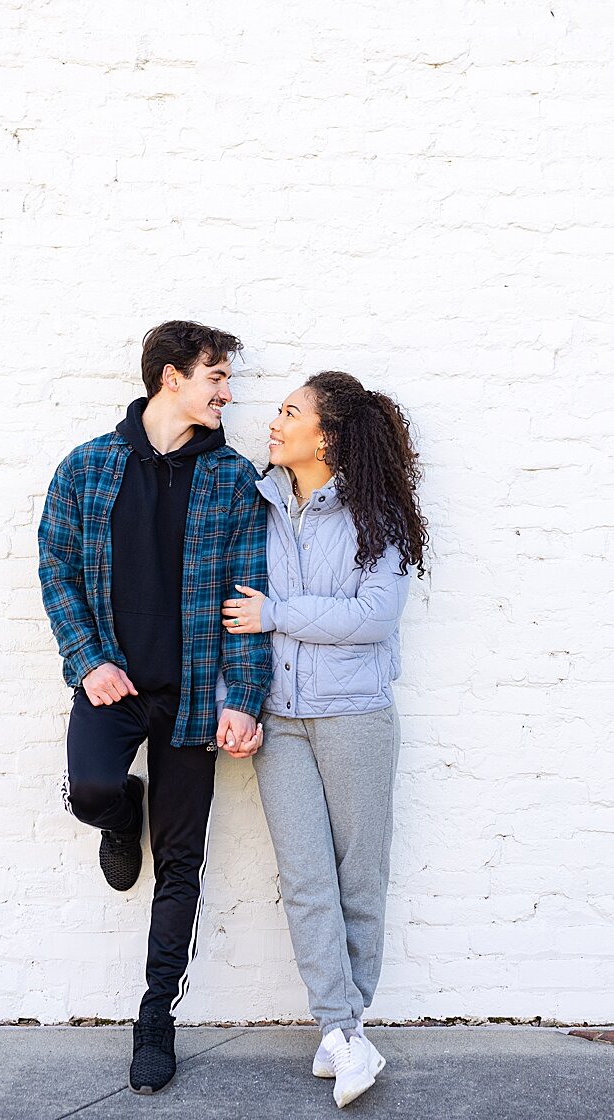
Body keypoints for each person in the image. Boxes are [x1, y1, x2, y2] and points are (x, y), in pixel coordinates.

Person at [37, 320, 271, 1095]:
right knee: (94, 788)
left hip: (196, 697)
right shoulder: (87, 468)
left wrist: (244, 697)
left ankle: (155, 1018)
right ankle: (118, 810)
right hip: (115, 684)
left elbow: (246, 601)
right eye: (216, 377)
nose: (227, 391)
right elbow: (56, 567)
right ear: (171, 378)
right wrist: (88, 658)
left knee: (181, 862)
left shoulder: (234, 480)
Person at [222, 371, 426, 1108]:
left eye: (288, 413)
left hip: (355, 716)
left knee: (358, 876)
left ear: (327, 436)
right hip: (279, 719)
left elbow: (373, 616)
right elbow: (228, 611)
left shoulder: (380, 516)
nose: (272, 424)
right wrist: (234, 701)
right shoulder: (257, 504)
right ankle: (341, 1033)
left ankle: (345, 1028)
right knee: (306, 879)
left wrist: (279, 612)